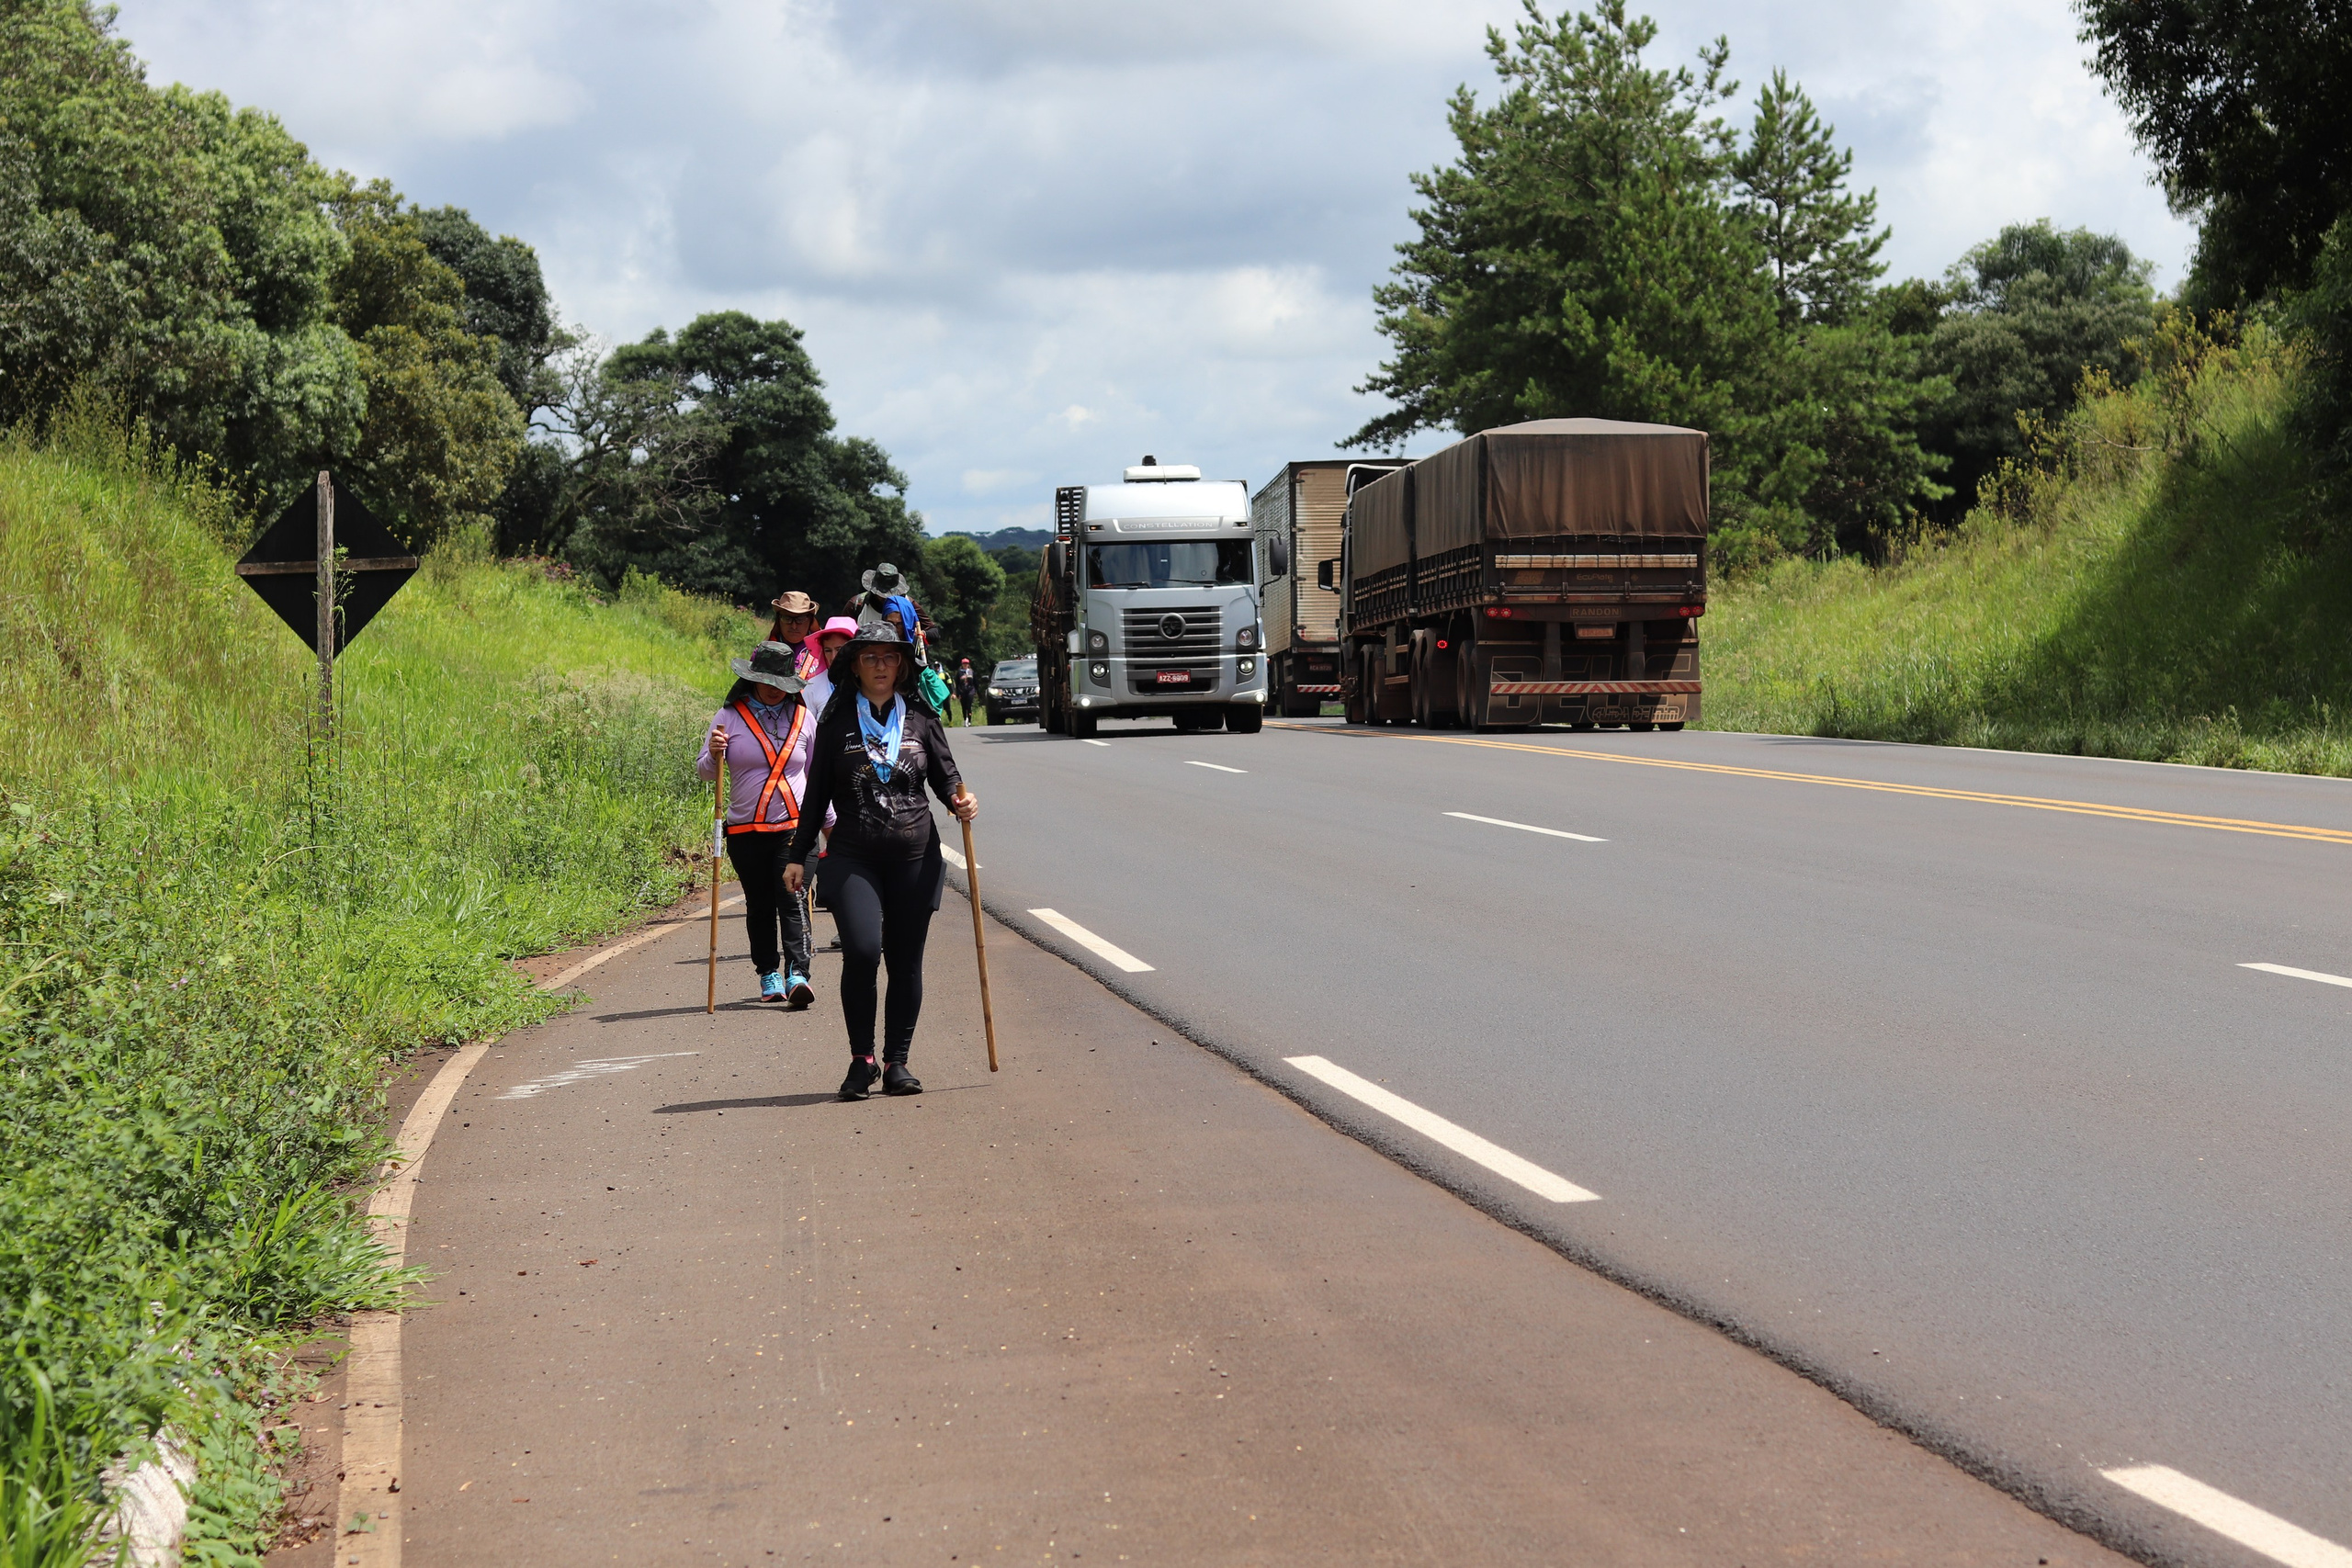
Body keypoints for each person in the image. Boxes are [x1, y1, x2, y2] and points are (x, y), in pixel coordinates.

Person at [785, 620, 978, 1099]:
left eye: (889, 657)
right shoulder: (836, 720)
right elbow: (815, 797)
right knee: (865, 951)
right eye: (869, 657)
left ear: (902, 665)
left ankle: (897, 1062)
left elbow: (948, 779)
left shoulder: (921, 715)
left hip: (915, 856)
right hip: (853, 856)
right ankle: (861, 1059)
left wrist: (962, 802)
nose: (880, 666)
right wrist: (797, 854)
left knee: (906, 961)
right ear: (854, 665)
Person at [698, 642, 819, 1007]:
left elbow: (817, 776)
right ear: (751, 678)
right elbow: (705, 771)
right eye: (764, 679)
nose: (771, 687)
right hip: (745, 832)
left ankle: (798, 973)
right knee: (760, 904)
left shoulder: (804, 719)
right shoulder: (728, 717)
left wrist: (831, 824)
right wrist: (715, 753)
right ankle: (768, 973)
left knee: (792, 897)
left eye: (779, 680)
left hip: (795, 829)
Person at [768, 591, 820, 671]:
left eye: (801, 619)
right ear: (778, 620)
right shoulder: (766, 650)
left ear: (810, 620)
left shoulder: (824, 651)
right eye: (787, 619)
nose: (794, 626)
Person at [955, 658, 979, 726]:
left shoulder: (971, 671)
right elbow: (957, 683)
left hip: (970, 690)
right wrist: (957, 693)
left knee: (969, 705)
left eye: (966, 664)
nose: (965, 665)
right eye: (964, 664)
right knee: (964, 706)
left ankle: (969, 720)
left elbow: (975, 682)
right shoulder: (959, 672)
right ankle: (965, 719)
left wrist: (976, 691)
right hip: (962, 690)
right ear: (962, 665)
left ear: (968, 664)